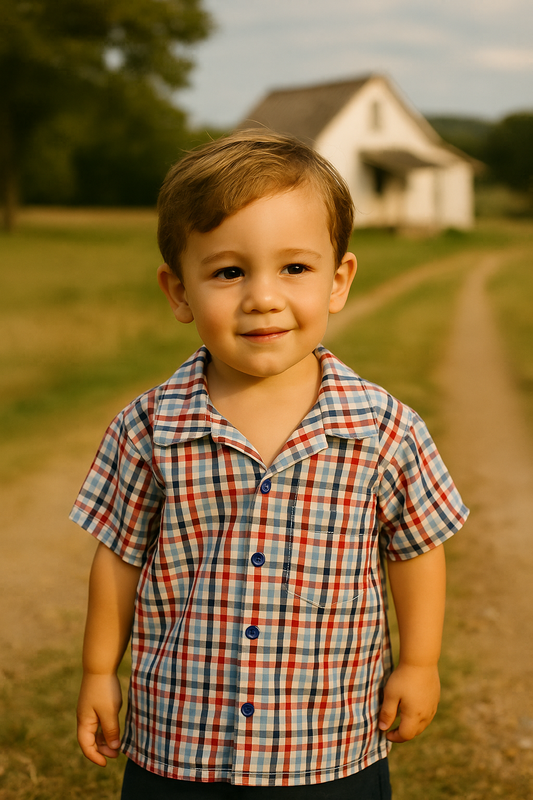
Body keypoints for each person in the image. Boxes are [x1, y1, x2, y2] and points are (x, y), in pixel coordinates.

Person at [71, 130, 468, 799]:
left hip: (328, 743)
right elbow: (118, 557)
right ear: (178, 292)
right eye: (229, 272)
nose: (262, 297)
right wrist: (96, 671)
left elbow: (415, 549)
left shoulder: (382, 428)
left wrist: (420, 662)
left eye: (293, 268)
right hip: (181, 739)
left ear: (338, 280)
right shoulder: (150, 425)